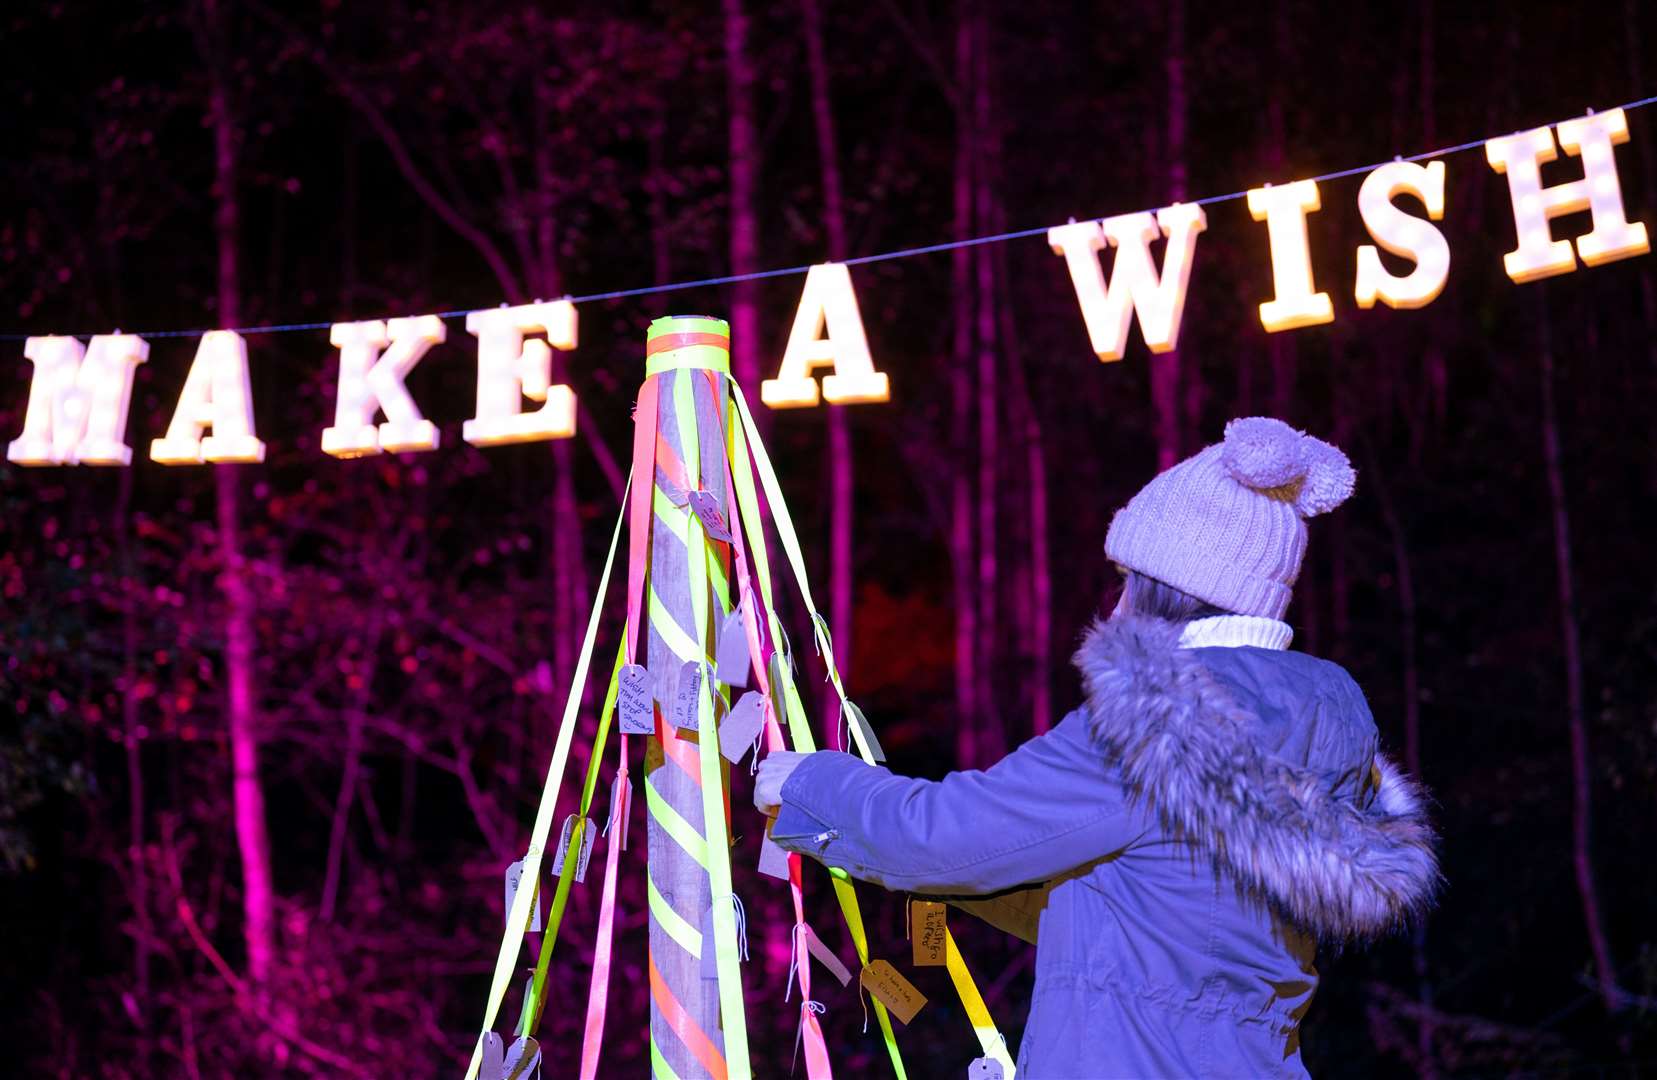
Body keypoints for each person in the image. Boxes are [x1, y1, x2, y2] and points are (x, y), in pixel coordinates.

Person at [754, 417, 1439, 1078]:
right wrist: (940, 876)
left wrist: (811, 784)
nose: (1114, 604)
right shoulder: (1324, 723)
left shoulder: (1156, 717)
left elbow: (942, 835)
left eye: (1126, 580)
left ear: (1166, 587)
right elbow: (1149, 916)